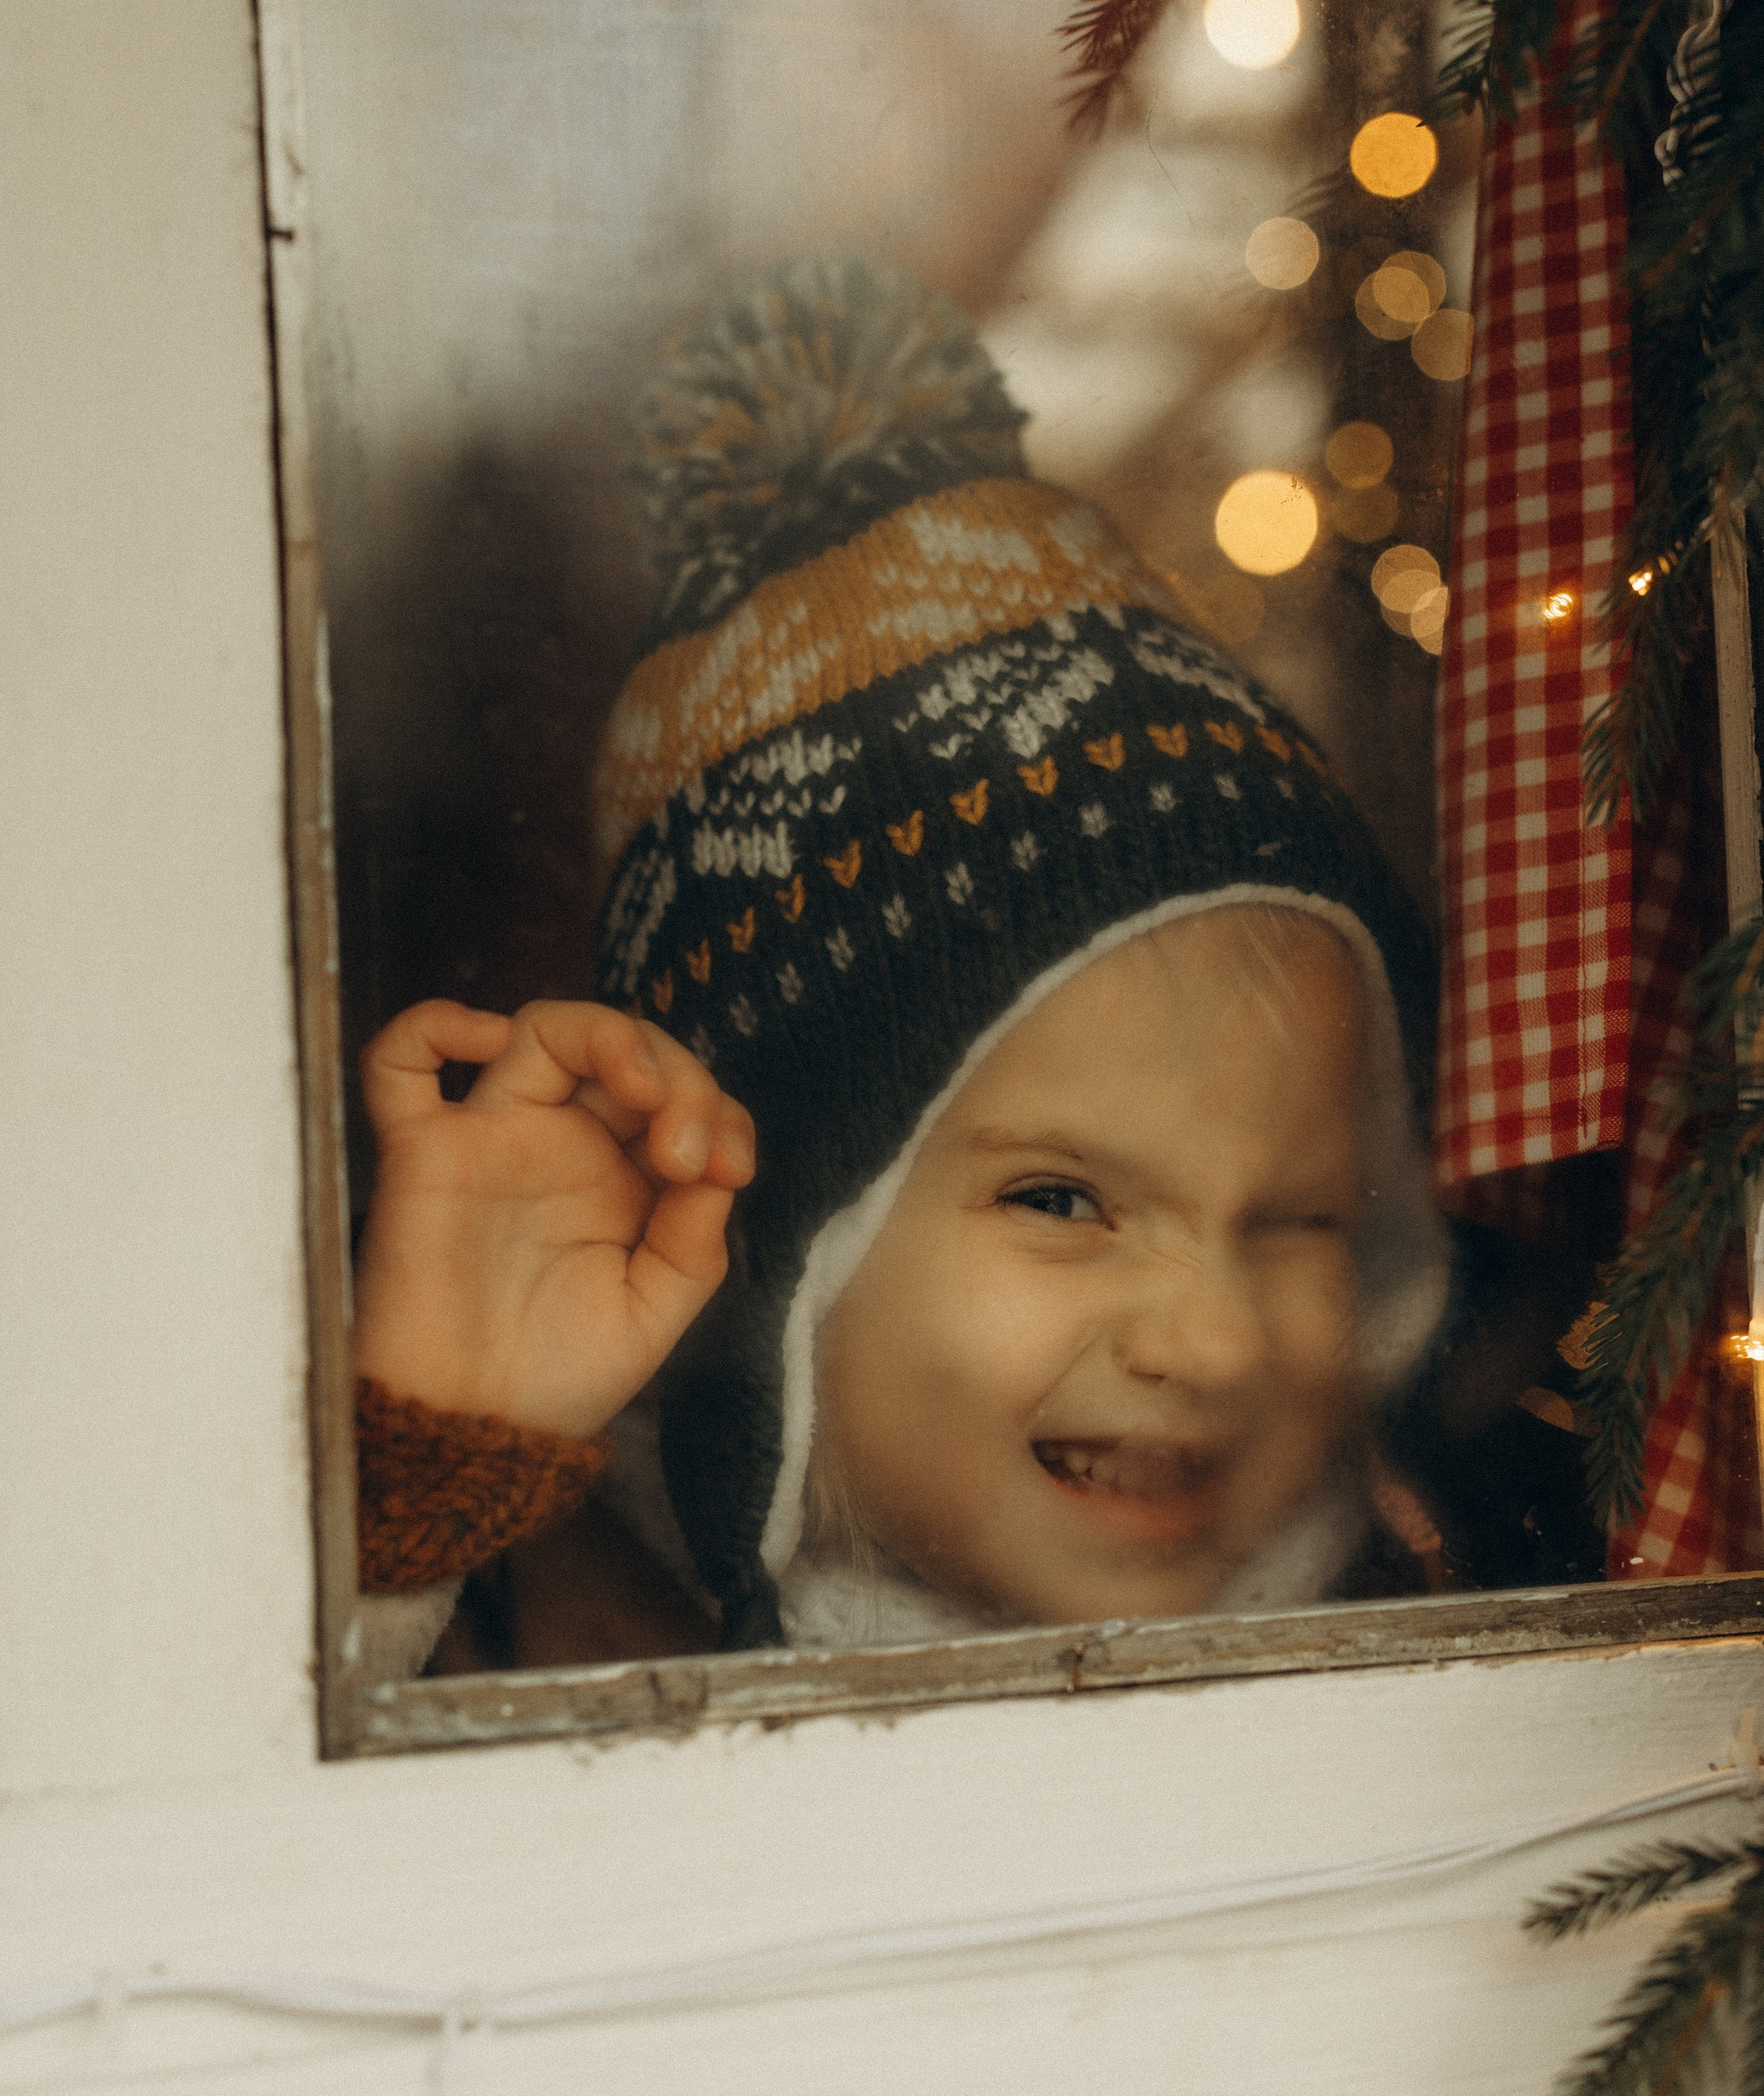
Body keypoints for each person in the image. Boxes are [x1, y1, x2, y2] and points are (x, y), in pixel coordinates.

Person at [347, 257, 1451, 1672]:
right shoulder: (528, 1643)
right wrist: (413, 1519)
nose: (1218, 1341)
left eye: (1302, 1220)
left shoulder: (1427, 1637)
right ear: (778, 1244)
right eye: (1063, 1198)